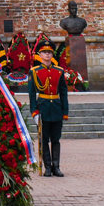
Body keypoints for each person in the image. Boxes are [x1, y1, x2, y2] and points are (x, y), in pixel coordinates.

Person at [27, 38, 69, 177]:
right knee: (44, 139)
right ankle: (48, 167)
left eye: (49, 53)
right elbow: (32, 94)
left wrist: (65, 111)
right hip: (43, 108)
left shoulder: (59, 71)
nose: (47, 55)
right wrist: (34, 111)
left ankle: (56, 166)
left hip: (56, 108)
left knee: (56, 139)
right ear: (39, 55)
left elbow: (63, 92)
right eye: (44, 52)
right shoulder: (34, 71)